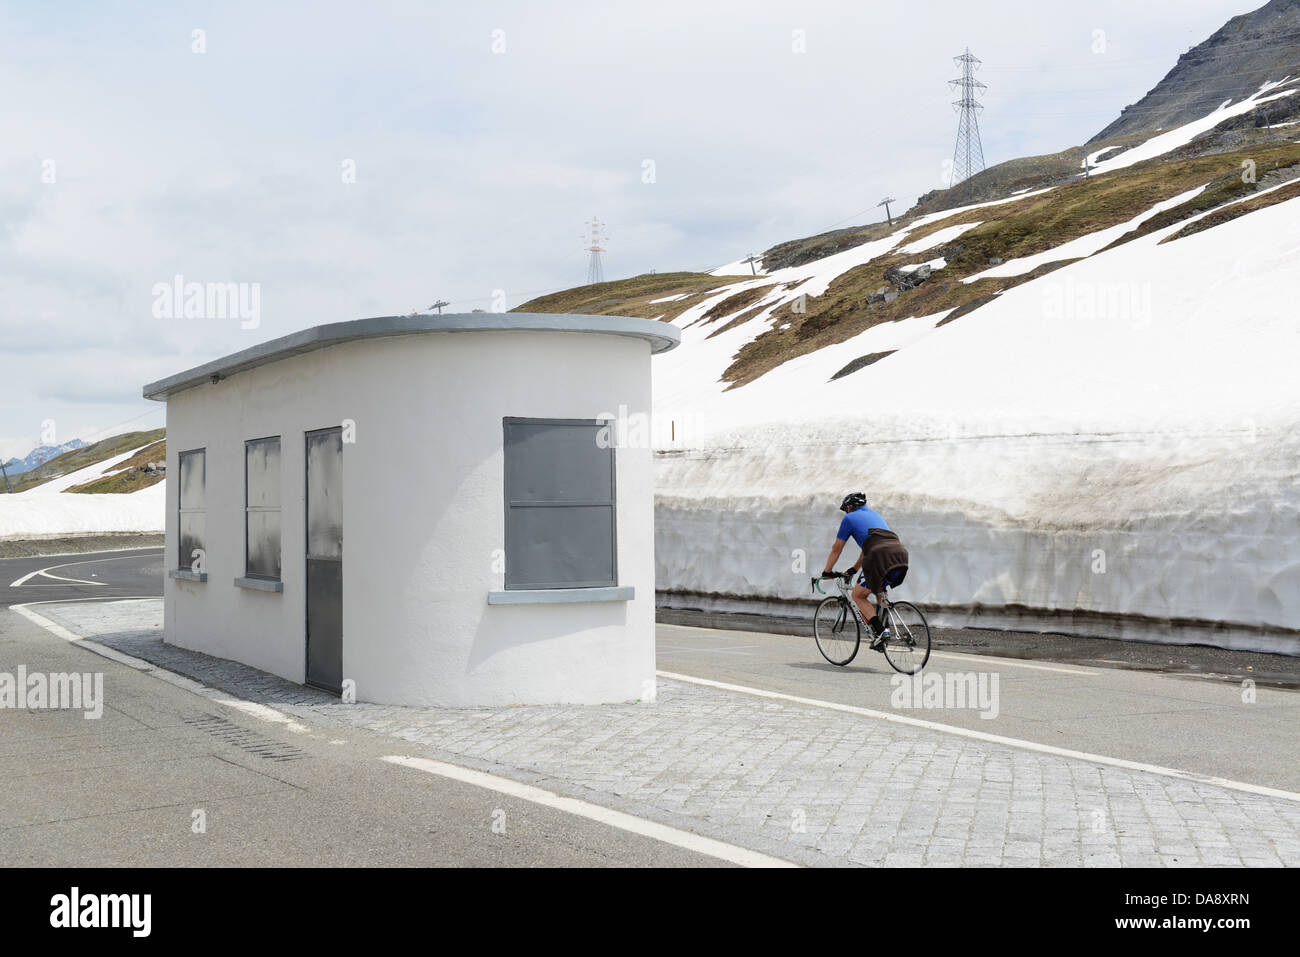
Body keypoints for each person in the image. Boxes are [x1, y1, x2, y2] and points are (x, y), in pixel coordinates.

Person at [821, 492, 909, 648]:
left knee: (858, 595)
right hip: (900, 554)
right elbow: (868, 548)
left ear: (849, 507)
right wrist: (854, 569)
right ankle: (885, 627)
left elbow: (836, 548)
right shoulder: (874, 515)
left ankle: (881, 631)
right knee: (879, 589)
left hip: (878, 556)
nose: (846, 513)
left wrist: (827, 571)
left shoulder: (849, 518)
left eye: (846, 509)